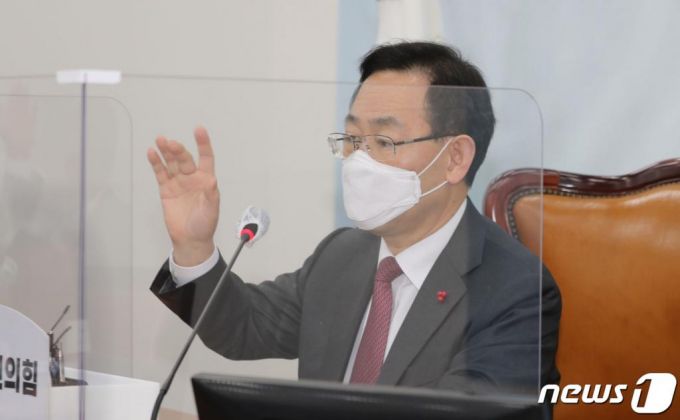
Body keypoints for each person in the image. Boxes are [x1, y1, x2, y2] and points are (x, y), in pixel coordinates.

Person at [147, 41, 561, 395]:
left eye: (382, 140)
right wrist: (194, 247)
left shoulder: (515, 290)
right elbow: (244, 327)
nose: (359, 161)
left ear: (454, 158)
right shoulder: (342, 254)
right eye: (351, 139)